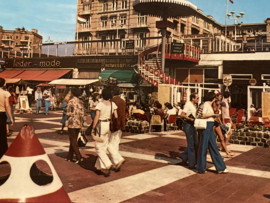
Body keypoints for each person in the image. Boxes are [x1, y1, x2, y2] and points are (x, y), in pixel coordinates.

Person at [196, 92, 227, 174]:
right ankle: (201, 167)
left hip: (210, 125)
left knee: (213, 146)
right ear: (213, 98)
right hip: (207, 125)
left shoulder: (208, 104)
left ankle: (220, 167)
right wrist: (213, 114)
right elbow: (203, 115)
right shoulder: (206, 104)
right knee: (204, 146)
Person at [91, 88, 120, 177]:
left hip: (101, 125)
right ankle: (98, 167)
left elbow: (96, 117)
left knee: (99, 147)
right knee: (104, 145)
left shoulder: (100, 104)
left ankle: (107, 163)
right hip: (109, 125)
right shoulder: (113, 104)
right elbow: (116, 116)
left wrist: (93, 127)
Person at [179, 93, 199, 169]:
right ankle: (191, 163)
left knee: (196, 143)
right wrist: (189, 119)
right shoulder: (188, 104)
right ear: (193, 98)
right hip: (188, 124)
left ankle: (184, 156)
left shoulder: (193, 105)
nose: (198, 99)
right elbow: (182, 114)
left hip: (192, 124)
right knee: (191, 144)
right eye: (197, 98)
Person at [66, 88, 84, 164]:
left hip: (71, 123)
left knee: (73, 140)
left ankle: (79, 156)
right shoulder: (80, 101)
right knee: (74, 140)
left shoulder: (70, 101)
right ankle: (69, 156)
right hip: (79, 122)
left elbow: (68, 113)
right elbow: (82, 114)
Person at [213, 91, 233, 157]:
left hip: (224, 119)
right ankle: (224, 148)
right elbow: (223, 112)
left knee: (224, 135)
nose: (220, 97)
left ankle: (224, 148)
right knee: (228, 133)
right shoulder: (223, 102)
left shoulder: (224, 102)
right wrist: (223, 121)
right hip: (223, 119)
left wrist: (230, 119)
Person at [111, 87, 126, 170]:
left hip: (114, 124)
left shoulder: (112, 101)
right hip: (121, 124)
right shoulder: (123, 101)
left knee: (110, 143)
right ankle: (115, 162)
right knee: (116, 143)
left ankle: (117, 159)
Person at [0, 78, 14, 159]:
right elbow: (7, 106)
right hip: (1, 114)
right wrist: (11, 117)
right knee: (2, 135)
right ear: (3, 84)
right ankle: (2, 154)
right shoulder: (5, 93)